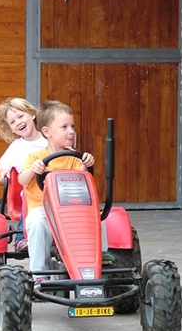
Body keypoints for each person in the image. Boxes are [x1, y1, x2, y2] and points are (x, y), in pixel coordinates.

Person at [18, 100, 112, 288]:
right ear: (47, 132)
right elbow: (22, 180)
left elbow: (83, 180)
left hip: (72, 209)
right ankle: (40, 273)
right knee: (37, 222)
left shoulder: (74, 157)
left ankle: (99, 258)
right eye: (64, 127)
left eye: (72, 126)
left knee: (97, 218)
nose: (71, 131)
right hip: (43, 210)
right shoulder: (35, 158)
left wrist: (86, 166)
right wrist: (34, 170)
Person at [0, 97, 47, 251]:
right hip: (32, 193)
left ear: (32, 114)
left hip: (56, 190)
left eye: (20, 116)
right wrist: (4, 171)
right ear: (11, 128)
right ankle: (21, 238)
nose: (18, 122)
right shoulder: (16, 147)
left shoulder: (49, 139)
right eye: (12, 122)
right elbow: (4, 164)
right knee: (29, 199)